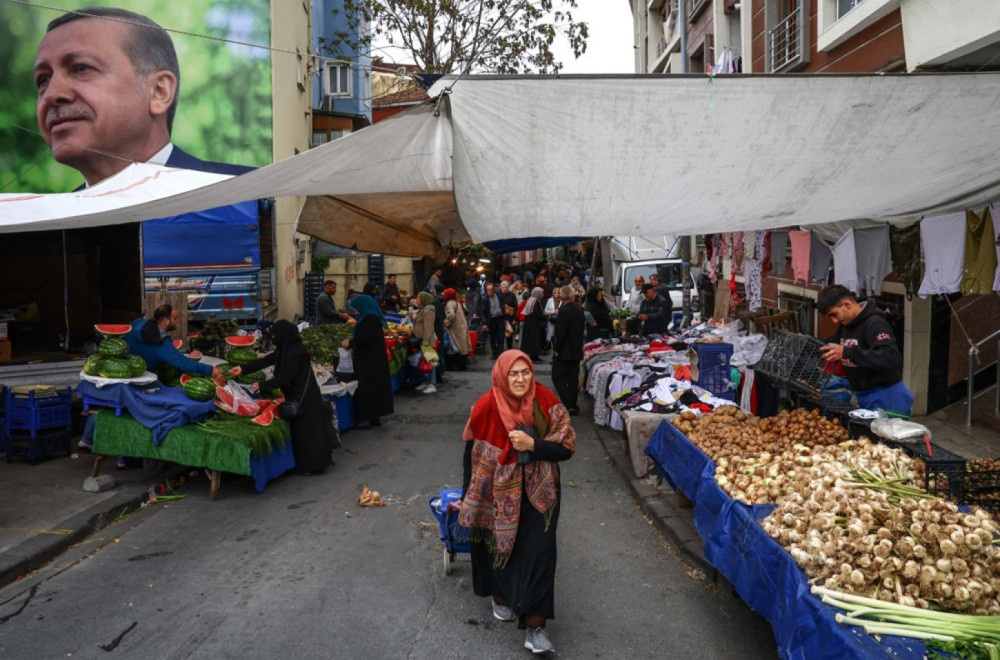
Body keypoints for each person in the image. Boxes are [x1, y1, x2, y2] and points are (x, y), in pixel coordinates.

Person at [35, 7, 252, 187]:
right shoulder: (41, 227)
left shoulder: (250, 195)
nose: (52, 94)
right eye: (43, 80)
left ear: (159, 92)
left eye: (81, 68)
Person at [459, 351, 576, 655]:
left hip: (541, 493)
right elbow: (471, 456)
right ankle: (502, 597)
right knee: (498, 548)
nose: (521, 379)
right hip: (495, 494)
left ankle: (535, 627)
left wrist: (534, 445)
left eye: (526, 372)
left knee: (540, 553)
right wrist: (466, 497)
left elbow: (566, 448)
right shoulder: (485, 407)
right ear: (501, 375)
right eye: (514, 373)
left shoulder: (546, 402)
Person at [230, 320, 335, 474]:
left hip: (305, 397)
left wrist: (264, 385)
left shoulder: (298, 352)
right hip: (294, 395)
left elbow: (288, 376)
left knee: (309, 432)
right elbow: (266, 360)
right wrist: (243, 369)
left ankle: (315, 465)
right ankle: (310, 464)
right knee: (302, 432)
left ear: (284, 335)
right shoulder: (284, 350)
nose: (273, 338)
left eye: (274, 335)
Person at [817, 285, 914, 417]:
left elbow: (891, 358)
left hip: (887, 397)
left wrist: (847, 352)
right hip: (864, 396)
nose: (834, 321)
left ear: (847, 305)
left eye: (834, 314)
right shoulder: (846, 324)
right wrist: (811, 344)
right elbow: (834, 342)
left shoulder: (875, 324)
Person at [123, 304, 223, 382]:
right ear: (166, 321)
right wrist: (210, 370)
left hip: (125, 366)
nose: (177, 322)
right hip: (143, 376)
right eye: (175, 318)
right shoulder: (161, 343)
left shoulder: (139, 322)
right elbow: (182, 362)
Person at [343, 295, 393, 429]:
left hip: (369, 360)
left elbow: (363, 339)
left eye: (357, 307)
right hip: (373, 358)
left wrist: (350, 342)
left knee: (368, 388)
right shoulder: (371, 316)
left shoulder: (369, 318)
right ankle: (373, 417)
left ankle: (366, 418)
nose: (356, 311)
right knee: (374, 387)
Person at [551, 285, 585, 415]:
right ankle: (573, 405)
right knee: (572, 379)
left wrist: (556, 348)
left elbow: (561, 333)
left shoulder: (564, 311)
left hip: (564, 351)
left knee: (557, 377)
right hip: (576, 350)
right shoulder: (579, 310)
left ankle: (569, 404)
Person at [411, 292, 439, 394]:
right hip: (421, 340)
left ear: (423, 299)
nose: (416, 299)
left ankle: (432, 384)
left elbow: (429, 328)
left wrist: (426, 342)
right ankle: (426, 382)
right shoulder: (422, 310)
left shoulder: (428, 311)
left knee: (430, 362)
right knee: (423, 362)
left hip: (427, 341)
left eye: (418, 298)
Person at [474, 282, 506, 360]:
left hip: (500, 318)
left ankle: (500, 353)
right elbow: (483, 312)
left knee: (501, 337)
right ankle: (494, 352)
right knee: (493, 337)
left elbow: (502, 305)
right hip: (492, 320)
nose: (489, 292)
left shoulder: (499, 295)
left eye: (490, 290)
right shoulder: (485, 299)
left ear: (494, 289)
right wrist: (484, 323)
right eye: (487, 290)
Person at [442, 288, 470, 372]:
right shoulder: (456, 302)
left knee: (456, 347)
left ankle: (456, 366)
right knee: (462, 347)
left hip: (456, 328)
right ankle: (462, 365)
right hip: (462, 326)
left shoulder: (450, 304)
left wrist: (445, 323)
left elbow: (451, 315)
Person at [519, 287, 546, 362]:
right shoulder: (536, 301)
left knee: (531, 340)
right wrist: (544, 315)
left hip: (530, 324)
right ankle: (534, 355)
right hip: (534, 325)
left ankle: (533, 355)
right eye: (541, 293)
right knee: (535, 340)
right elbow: (538, 314)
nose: (543, 295)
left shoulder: (531, 300)